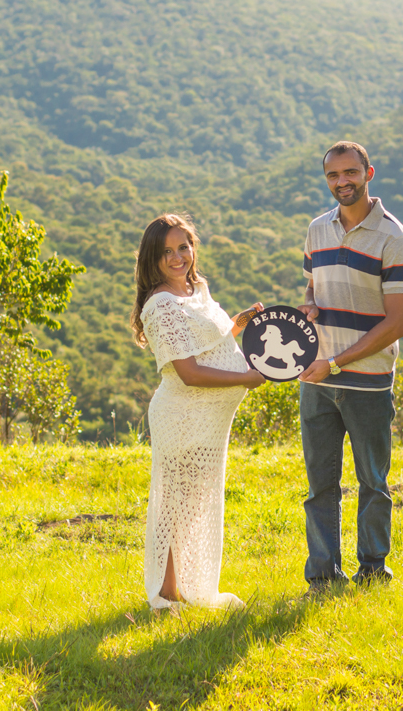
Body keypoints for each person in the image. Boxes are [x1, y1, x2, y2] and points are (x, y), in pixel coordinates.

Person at [297, 141, 403, 591]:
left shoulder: (395, 238)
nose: (342, 182)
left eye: (350, 172)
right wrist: (309, 307)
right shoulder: (317, 230)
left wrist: (335, 362)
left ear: (369, 173)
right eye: (333, 175)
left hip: (367, 382)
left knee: (373, 481)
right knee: (320, 485)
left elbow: (396, 324)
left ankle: (372, 571)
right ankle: (323, 577)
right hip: (317, 379)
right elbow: (312, 288)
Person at [130, 213, 265, 609]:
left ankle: (181, 588)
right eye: (166, 252)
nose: (177, 257)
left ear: (193, 247)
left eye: (183, 247)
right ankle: (167, 594)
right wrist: (245, 378)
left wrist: (239, 323)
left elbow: (208, 341)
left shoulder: (195, 289)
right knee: (175, 505)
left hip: (208, 421)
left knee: (191, 506)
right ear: (152, 258)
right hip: (183, 417)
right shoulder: (161, 304)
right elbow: (188, 372)